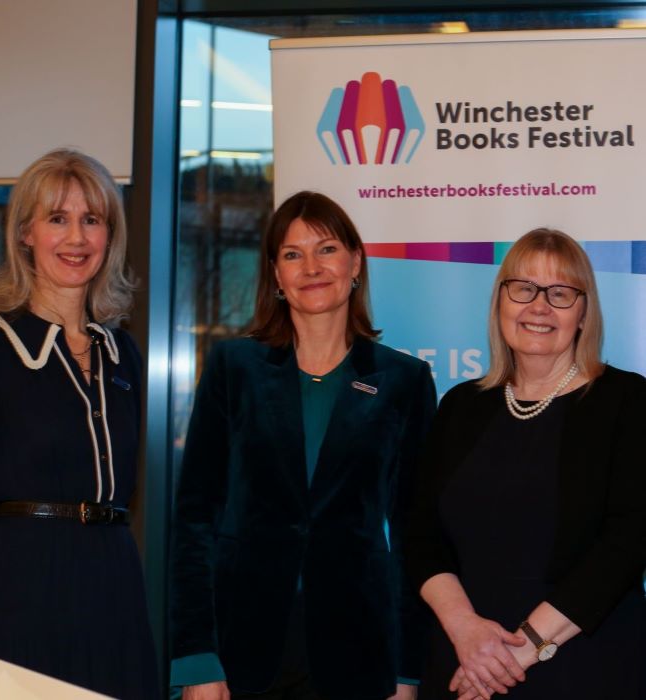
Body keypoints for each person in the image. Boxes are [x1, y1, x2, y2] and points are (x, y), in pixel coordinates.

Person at [170, 191, 437, 700]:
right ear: (275, 274)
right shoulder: (233, 369)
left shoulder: (404, 380)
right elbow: (194, 521)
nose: (311, 267)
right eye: (293, 254)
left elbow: (413, 535)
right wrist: (196, 659)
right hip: (240, 650)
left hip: (360, 653)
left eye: (327, 249)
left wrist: (405, 673)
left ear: (356, 262)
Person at [0, 149, 160, 699]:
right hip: (15, 587)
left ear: (110, 236)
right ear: (24, 234)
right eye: (57, 218)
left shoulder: (124, 356)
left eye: (92, 219)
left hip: (113, 582)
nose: (77, 237)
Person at [404, 228, 646, 700]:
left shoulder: (628, 401)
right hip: (464, 660)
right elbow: (421, 534)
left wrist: (521, 651)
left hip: (584, 665)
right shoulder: (459, 405)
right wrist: (466, 632)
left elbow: (628, 542)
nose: (539, 307)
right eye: (524, 289)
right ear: (500, 302)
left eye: (560, 293)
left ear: (583, 313)